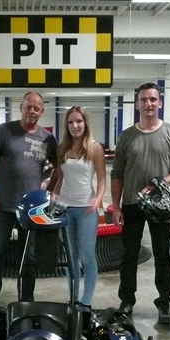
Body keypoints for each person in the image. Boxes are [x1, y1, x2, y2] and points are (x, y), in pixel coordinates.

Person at [110, 83, 170, 324]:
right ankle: (127, 301)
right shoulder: (127, 136)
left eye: (153, 99)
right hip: (132, 204)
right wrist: (116, 206)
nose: (148, 103)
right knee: (129, 255)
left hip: (161, 206)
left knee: (162, 255)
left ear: (160, 103)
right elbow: (117, 173)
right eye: (144, 99)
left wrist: (160, 183)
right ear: (137, 104)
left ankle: (164, 303)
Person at [0, 91, 58, 308]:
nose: (32, 111)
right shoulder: (4, 131)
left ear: (42, 112)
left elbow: (59, 169)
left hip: (32, 211)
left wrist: (48, 194)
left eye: (36, 108)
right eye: (28, 107)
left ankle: (26, 299)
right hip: (2, 207)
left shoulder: (48, 139)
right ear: (21, 107)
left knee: (29, 257)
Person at [53, 106, 106, 309]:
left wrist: (98, 199)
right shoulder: (62, 148)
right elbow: (60, 178)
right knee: (71, 257)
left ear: (85, 123)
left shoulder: (95, 148)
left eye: (79, 121)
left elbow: (102, 179)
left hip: (86, 209)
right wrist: (54, 198)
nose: (75, 126)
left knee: (87, 256)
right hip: (66, 209)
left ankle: (86, 302)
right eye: (70, 122)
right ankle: (73, 298)